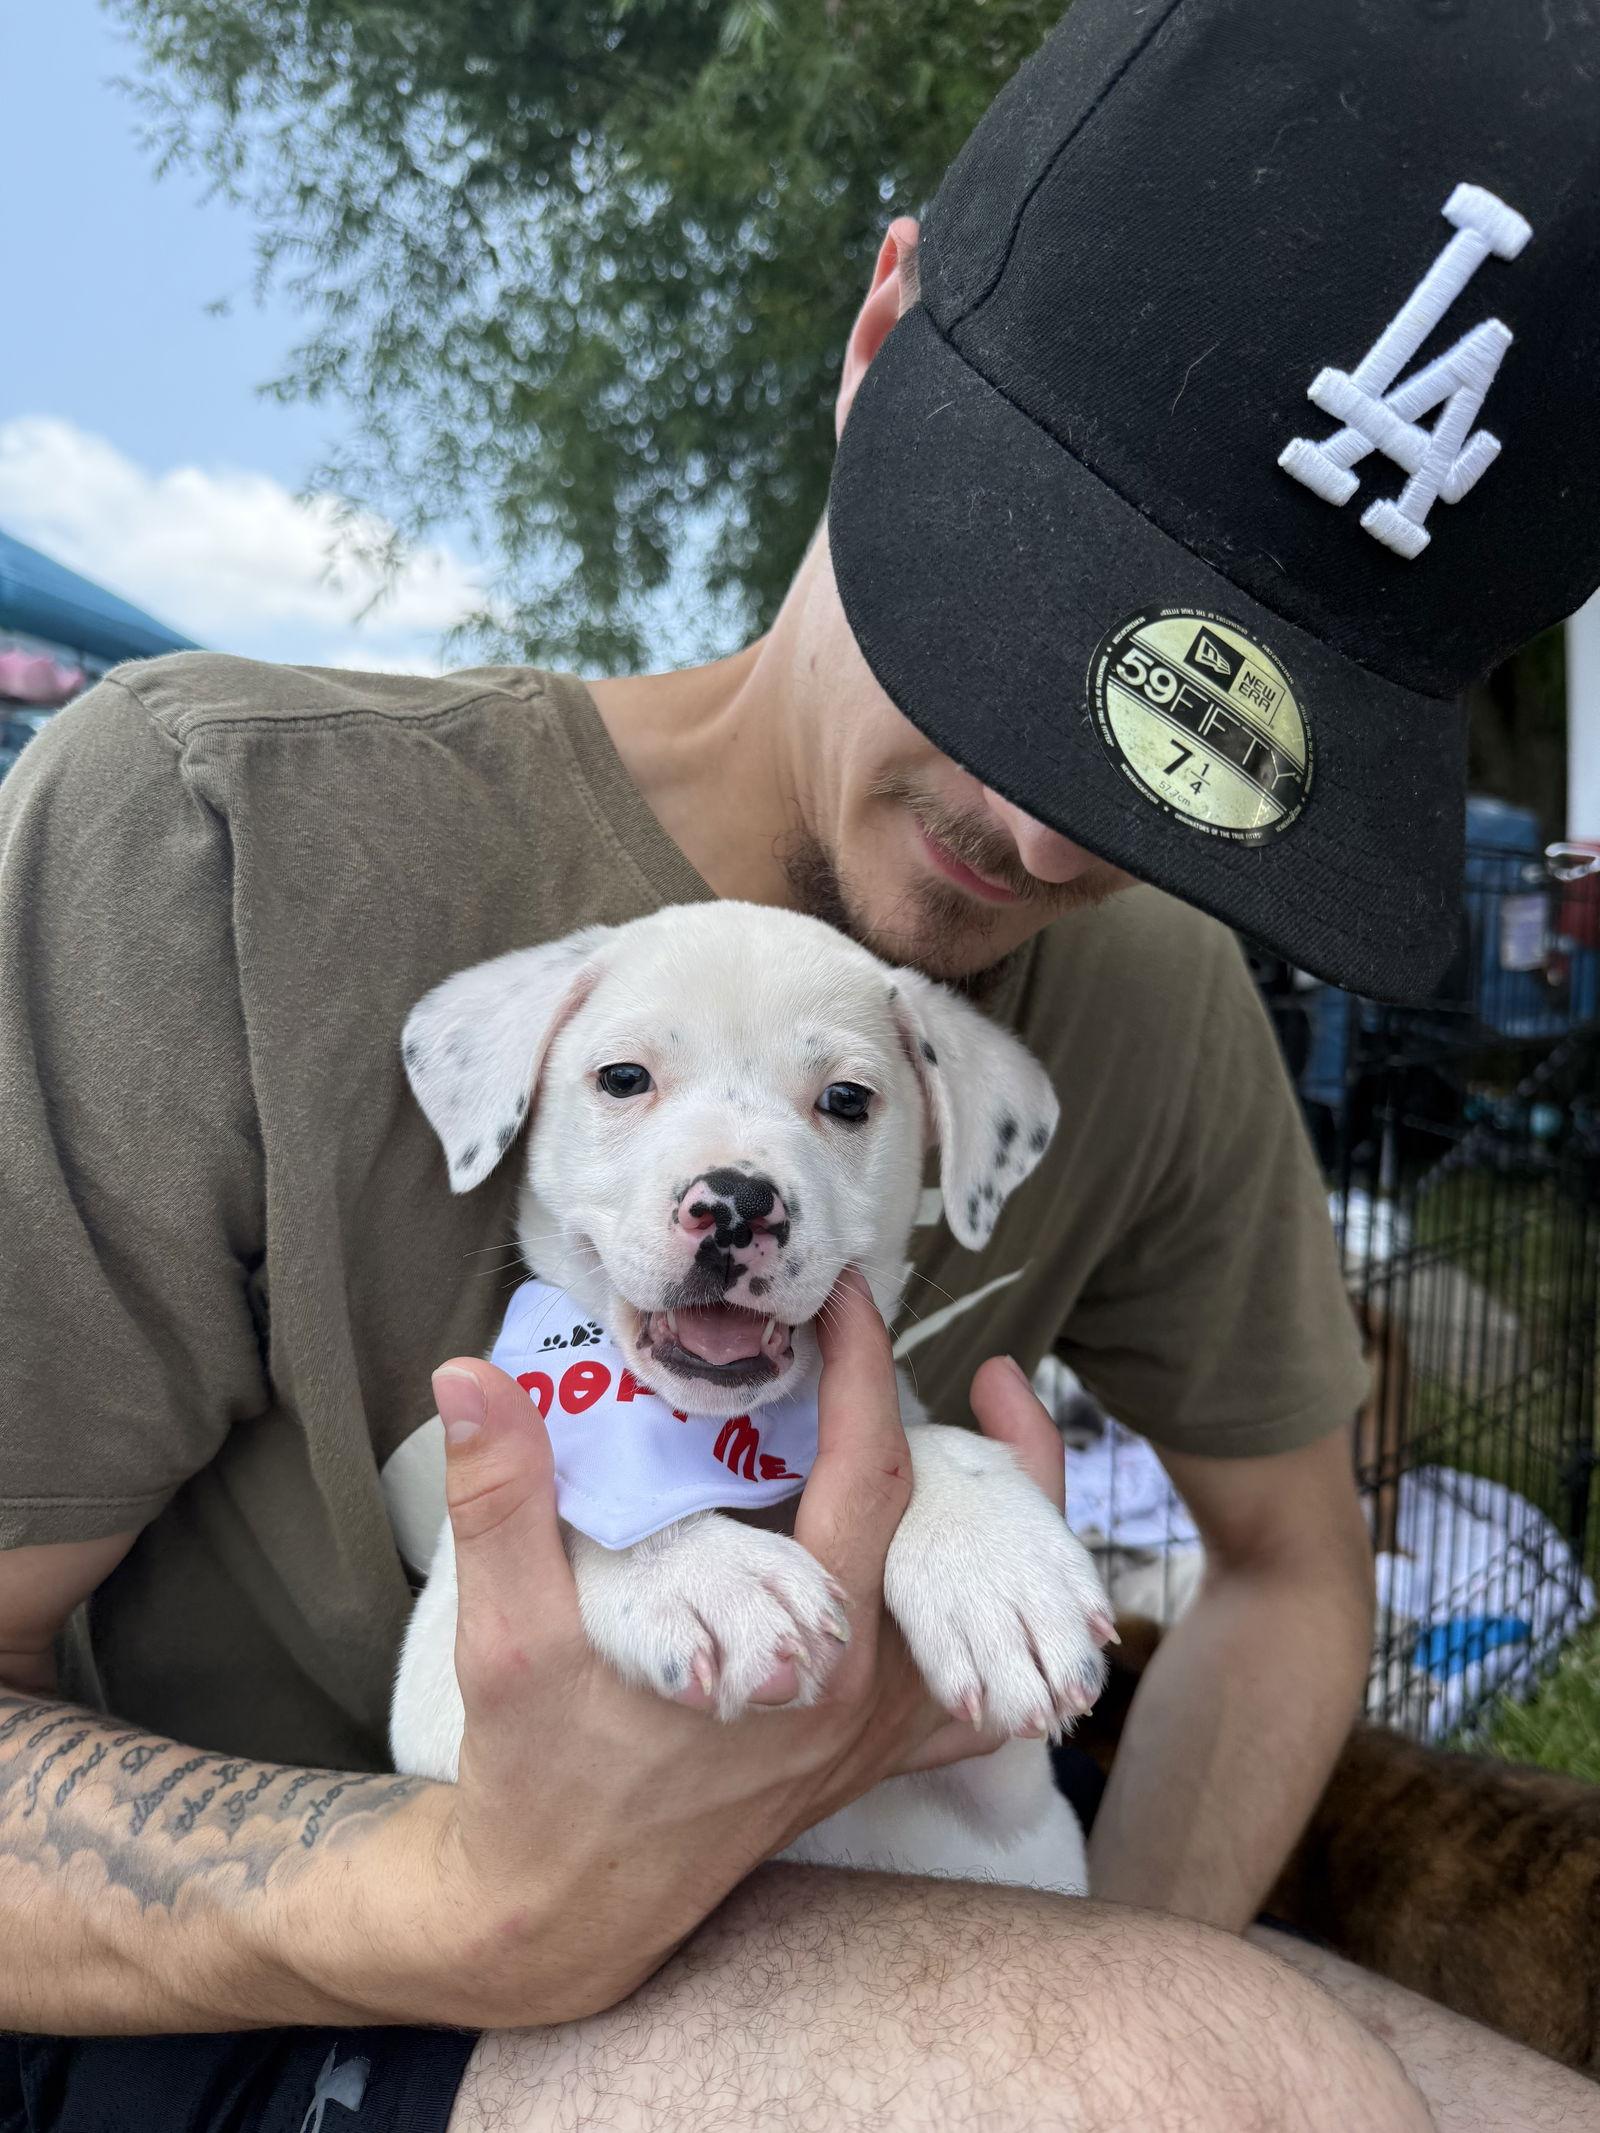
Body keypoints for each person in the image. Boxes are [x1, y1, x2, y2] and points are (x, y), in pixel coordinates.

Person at [3, 1, 1599, 2128]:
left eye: (1218, 763)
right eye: (1045, 624)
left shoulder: (1149, 1000)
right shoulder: (208, 829)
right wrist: (470, 1892)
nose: (1054, 842)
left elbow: (1293, 1565)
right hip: (199, 1993)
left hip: (836, 1909)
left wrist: (1096, 1947)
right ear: (879, 337)